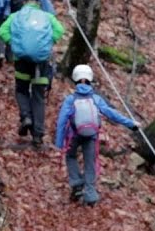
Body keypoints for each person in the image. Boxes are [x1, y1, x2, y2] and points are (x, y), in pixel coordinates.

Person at [54, 64, 140, 205]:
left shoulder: (70, 99)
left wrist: (59, 142)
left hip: (74, 135)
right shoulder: (96, 99)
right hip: (92, 136)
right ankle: (90, 195)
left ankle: (76, 183)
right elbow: (112, 114)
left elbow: (62, 121)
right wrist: (131, 124)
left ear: (75, 79)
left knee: (70, 156)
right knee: (90, 163)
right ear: (90, 79)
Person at [0, 0, 65, 146]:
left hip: (21, 59)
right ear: (39, 2)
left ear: (24, 1)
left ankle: (26, 117)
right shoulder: (47, 16)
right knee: (38, 96)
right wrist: (48, 43)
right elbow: (60, 30)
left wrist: (14, 44)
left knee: (21, 90)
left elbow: (2, 31)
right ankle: (38, 135)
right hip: (41, 61)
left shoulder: (15, 16)